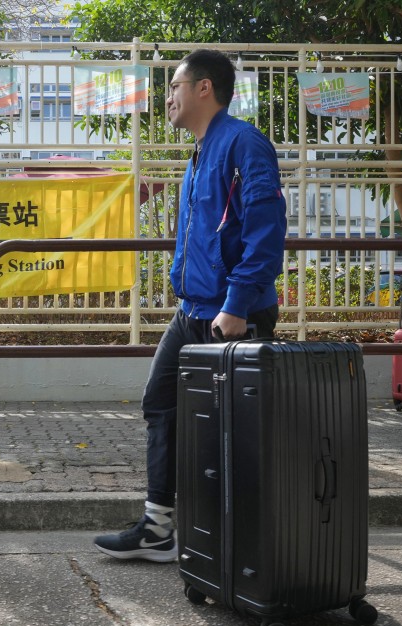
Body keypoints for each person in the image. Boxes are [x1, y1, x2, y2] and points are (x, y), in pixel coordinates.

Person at [93, 49, 286, 562]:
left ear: (204, 89)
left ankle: (246, 547)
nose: (168, 97)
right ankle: (158, 529)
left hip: (232, 316)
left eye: (175, 86)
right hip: (193, 312)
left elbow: (266, 236)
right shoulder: (199, 154)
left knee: (240, 432)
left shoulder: (244, 144)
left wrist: (238, 305)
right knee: (160, 403)